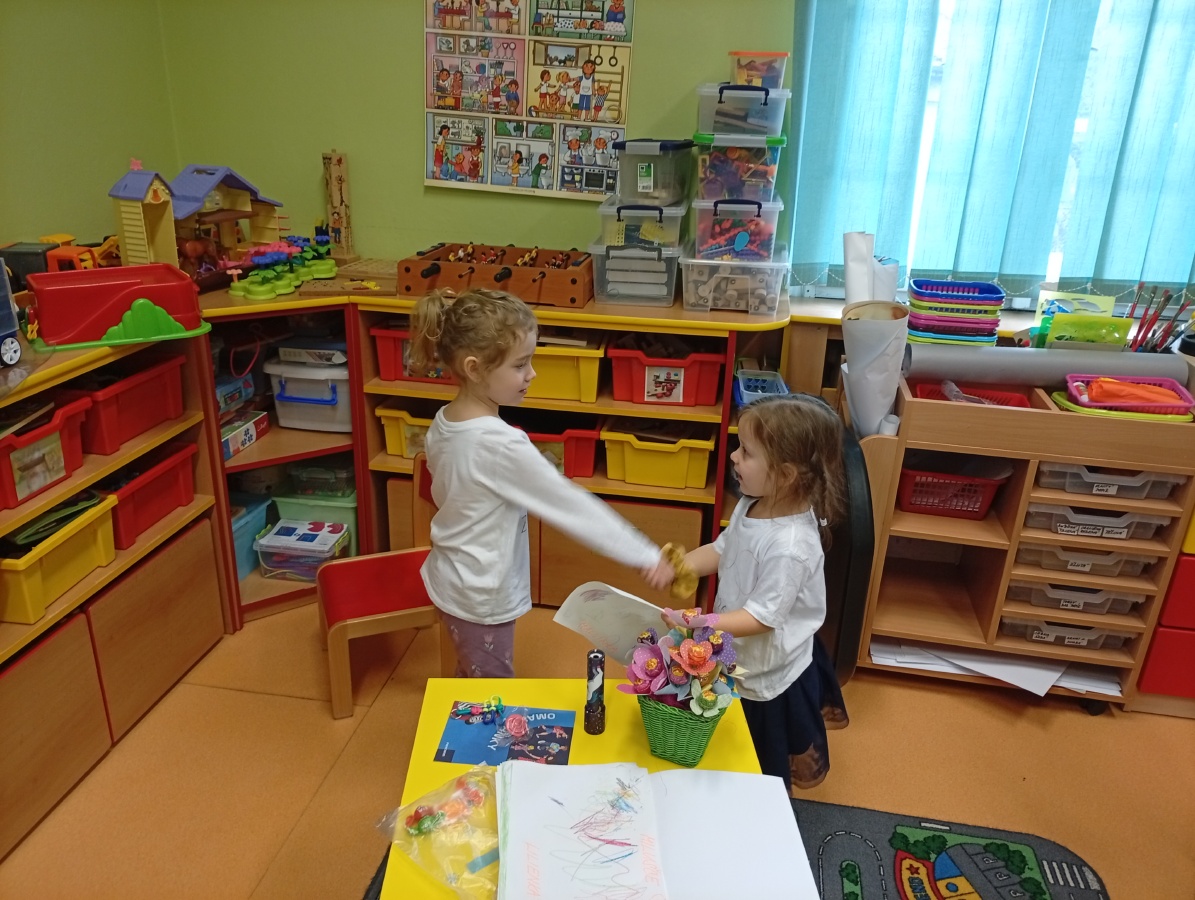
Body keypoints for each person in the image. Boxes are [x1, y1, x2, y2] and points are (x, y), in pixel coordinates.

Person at [410, 289, 675, 679]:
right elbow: (570, 505)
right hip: (482, 593)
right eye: (520, 365)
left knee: (472, 674)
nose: (531, 374)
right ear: (474, 368)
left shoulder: (444, 420)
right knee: (489, 694)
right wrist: (643, 553)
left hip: (451, 575)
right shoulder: (501, 445)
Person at [665, 394, 849, 793]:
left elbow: (762, 619)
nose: (733, 456)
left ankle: (761, 804)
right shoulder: (754, 504)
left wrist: (700, 622)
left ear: (785, 474)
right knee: (728, 725)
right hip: (738, 650)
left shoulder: (790, 546)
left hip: (768, 669)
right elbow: (724, 548)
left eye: (746, 452)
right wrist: (682, 566)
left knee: (761, 755)